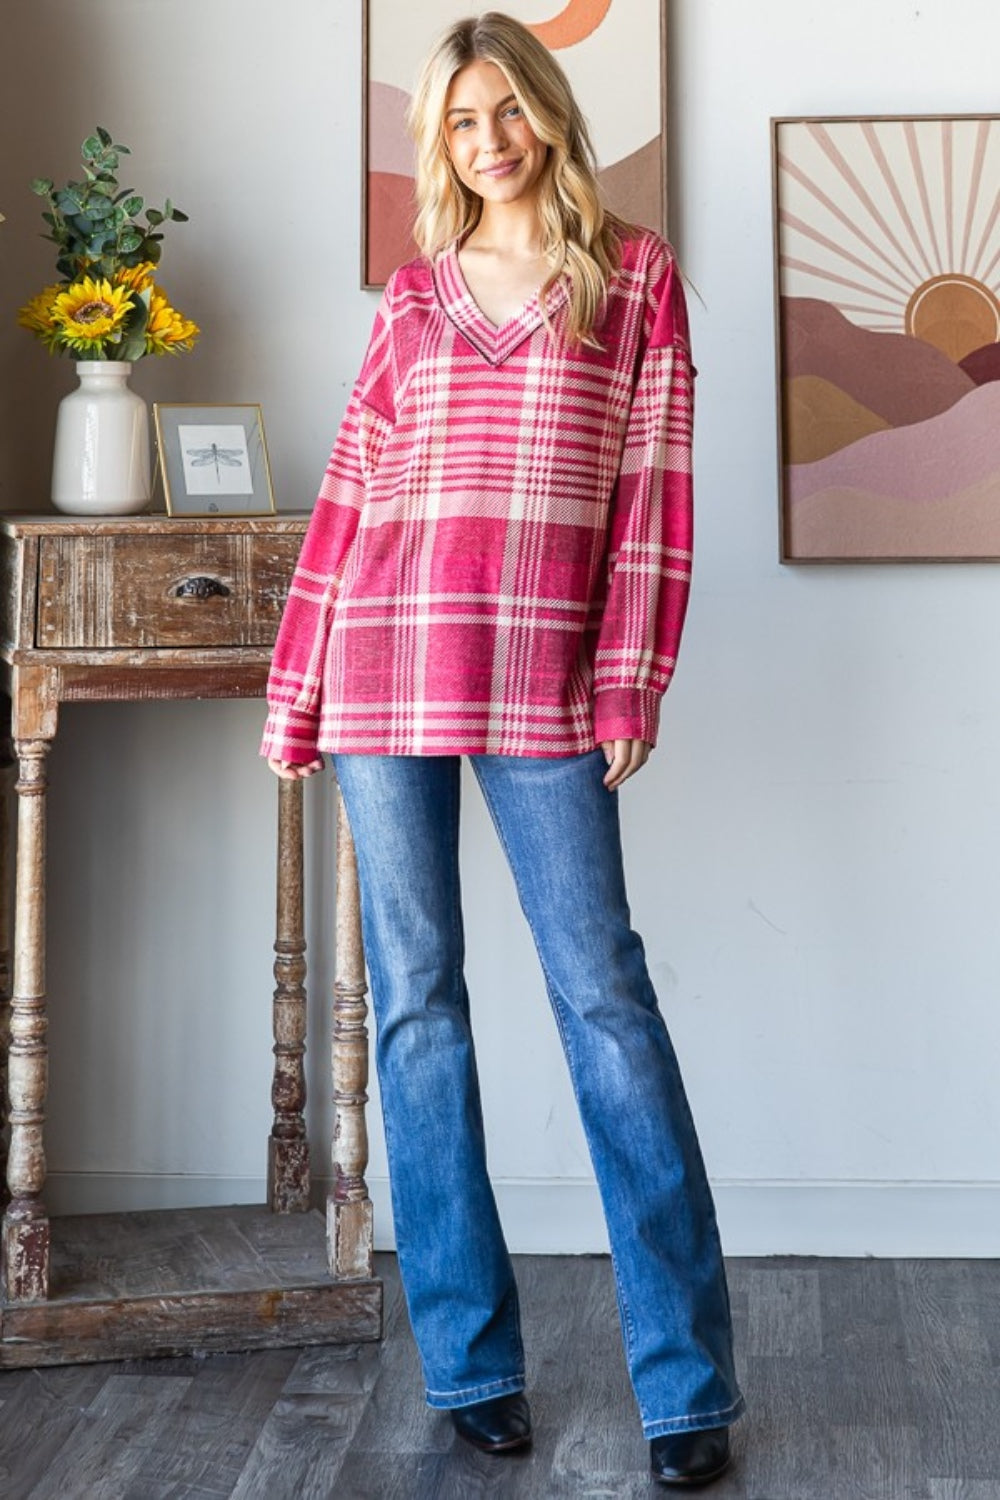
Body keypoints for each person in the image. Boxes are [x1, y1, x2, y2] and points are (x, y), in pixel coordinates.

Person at [263, 12, 745, 1488]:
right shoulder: (410, 301)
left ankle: (688, 1391)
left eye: (506, 111)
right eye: (460, 122)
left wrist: (631, 682)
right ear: (443, 143)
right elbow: (350, 499)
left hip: (541, 676)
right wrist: (295, 691)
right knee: (415, 1011)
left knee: (604, 1004)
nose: (489, 141)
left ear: (546, 110)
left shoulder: (636, 279)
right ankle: (473, 1366)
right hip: (380, 676)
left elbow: (655, 496)